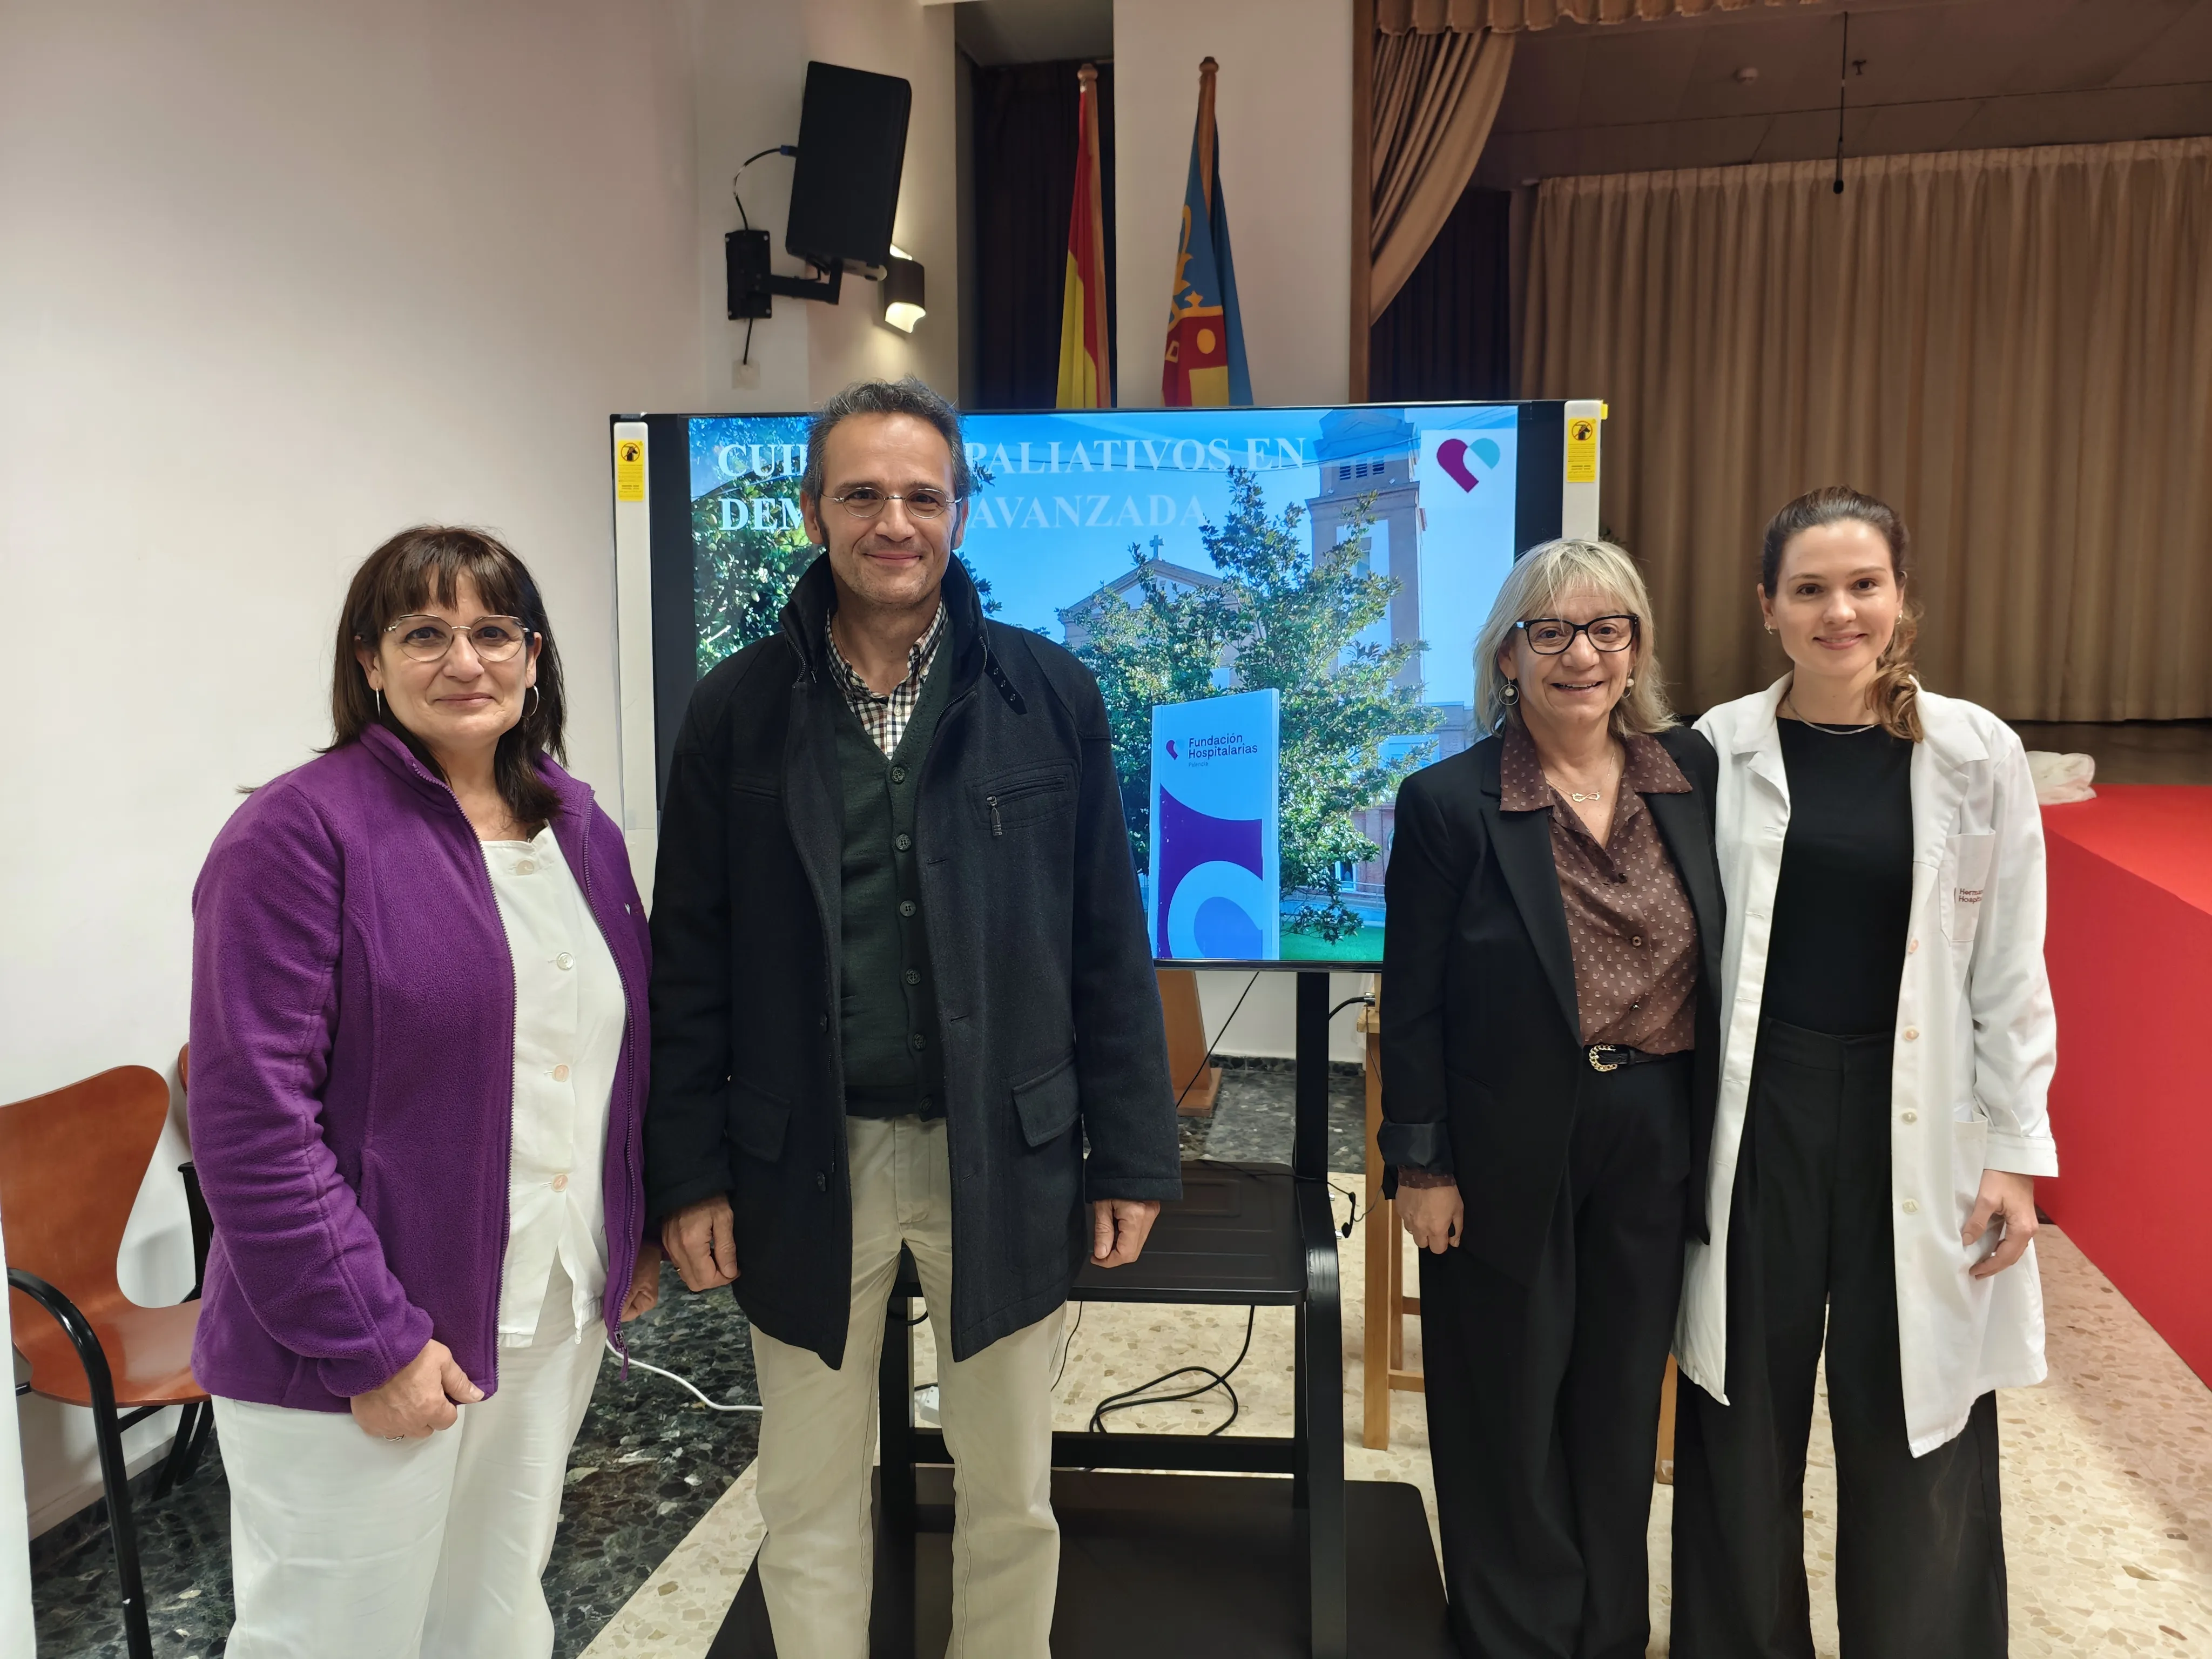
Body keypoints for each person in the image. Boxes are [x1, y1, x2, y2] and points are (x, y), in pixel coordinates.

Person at [646, 377, 1181, 1659]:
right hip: (801, 1158)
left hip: (1006, 1151)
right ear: (813, 510)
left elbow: (1105, 942)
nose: (896, 521)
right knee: (807, 1493)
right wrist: (688, 1173)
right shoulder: (735, 709)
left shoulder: (1048, 694)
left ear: (959, 509)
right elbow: (690, 963)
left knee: (1009, 1491)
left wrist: (1133, 1151)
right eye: (863, 494)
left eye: (922, 495)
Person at [188, 527, 660, 1659]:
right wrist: (373, 1344)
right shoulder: (299, 833)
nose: (466, 662)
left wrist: (629, 1228)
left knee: (492, 1620)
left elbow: (615, 1049)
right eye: (425, 634)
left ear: (534, 657)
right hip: (365, 1339)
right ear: (369, 661)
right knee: (335, 1639)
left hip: (544, 1305)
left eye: (494, 631)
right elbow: (253, 1121)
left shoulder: (574, 826)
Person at [1671, 486, 2058, 1658]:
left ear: (1899, 599)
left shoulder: (1973, 751)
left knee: (1917, 1413)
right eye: (1808, 590)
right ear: (1766, 609)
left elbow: (2009, 968)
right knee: (1740, 1405)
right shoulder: (1714, 750)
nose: (1838, 612)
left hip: (1919, 1114)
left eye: (1861, 586)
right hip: (1761, 1110)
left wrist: (2013, 1152)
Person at [1381, 538, 1725, 1659]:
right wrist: (1420, 1164)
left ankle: (1604, 1634)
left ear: (1636, 649)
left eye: (1606, 628)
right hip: (1501, 1143)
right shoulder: (1446, 803)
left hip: (1652, 1129)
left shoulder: (1694, 779)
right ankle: (1511, 1634)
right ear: (1507, 656)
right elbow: (1414, 998)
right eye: (1551, 632)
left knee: (1619, 1404)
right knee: (1505, 1407)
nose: (1581, 654)